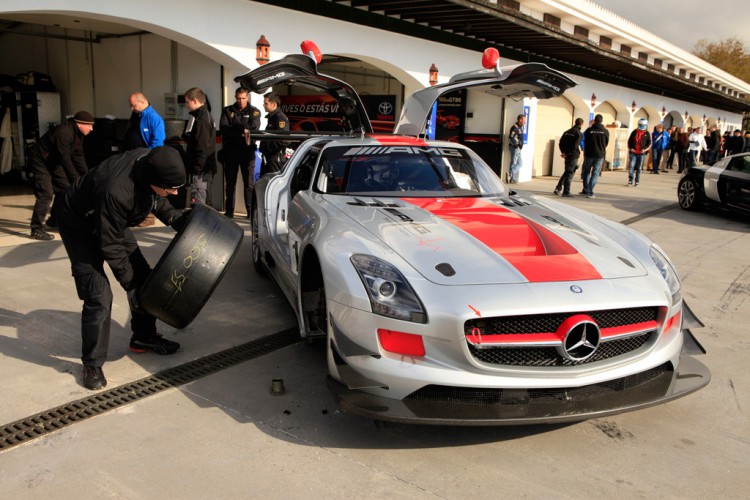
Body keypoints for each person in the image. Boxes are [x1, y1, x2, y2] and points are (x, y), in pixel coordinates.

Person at [52, 147, 190, 390]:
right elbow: (110, 245)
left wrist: (182, 223)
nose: (175, 192)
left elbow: (158, 199)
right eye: (171, 188)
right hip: (79, 224)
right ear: (153, 179)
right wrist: (130, 284)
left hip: (111, 220)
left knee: (144, 280)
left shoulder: (150, 163)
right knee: (98, 296)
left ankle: (143, 337)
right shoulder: (116, 191)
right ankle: (92, 364)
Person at [26, 111, 94, 241]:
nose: (91, 129)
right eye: (89, 126)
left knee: (65, 189)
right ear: (80, 124)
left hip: (54, 161)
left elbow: (78, 156)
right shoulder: (63, 133)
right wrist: (77, 179)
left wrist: (87, 175)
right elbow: (65, 160)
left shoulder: (79, 134)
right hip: (40, 160)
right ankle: (36, 228)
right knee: (46, 193)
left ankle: (54, 220)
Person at [219, 87, 261, 218]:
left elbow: (253, 128)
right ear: (235, 97)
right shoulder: (228, 111)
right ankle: (229, 211)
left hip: (247, 152)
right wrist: (242, 132)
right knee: (230, 183)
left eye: (243, 98)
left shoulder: (254, 112)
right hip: (231, 152)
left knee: (248, 183)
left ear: (247, 97)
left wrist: (236, 130)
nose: (241, 101)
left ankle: (250, 211)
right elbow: (224, 129)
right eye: (238, 98)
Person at [184, 87, 217, 205]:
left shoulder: (202, 118)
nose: (186, 105)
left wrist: (197, 169)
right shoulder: (202, 116)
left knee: (200, 204)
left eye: (187, 102)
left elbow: (202, 146)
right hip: (203, 169)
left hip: (202, 170)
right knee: (203, 201)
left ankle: (202, 223)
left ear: (194, 100)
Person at [259, 92, 290, 176]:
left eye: (266, 103)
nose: (263, 105)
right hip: (269, 157)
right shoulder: (272, 117)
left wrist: (269, 148)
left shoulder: (279, 118)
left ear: (274, 104)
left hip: (275, 158)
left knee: (273, 183)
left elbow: (284, 139)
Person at [580, 114, 609, 199]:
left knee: (586, 172)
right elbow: (606, 143)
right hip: (600, 155)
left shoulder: (589, 130)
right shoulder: (605, 131)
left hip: (589, 154)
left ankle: (586, 189)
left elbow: (584, 140)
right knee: (595, 174)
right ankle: (589, 191)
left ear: (595, 120)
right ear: (601, 121)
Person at [554, 117, 583, 197]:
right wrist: (568, 153)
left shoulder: (566, 132)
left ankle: (558, 188)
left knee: (567, 172)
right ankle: (566, 191)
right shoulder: (578, 133)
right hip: (573, 156)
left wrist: (563, 152)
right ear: (581, 124)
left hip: (567, 155)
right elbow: (575, 145)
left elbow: (560, 143)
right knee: (570, 174)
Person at [626, 118, 652, 187]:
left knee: (639, 168)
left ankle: (637, 181)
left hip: (641, 153)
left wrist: (645, 149)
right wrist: (631, 149)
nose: (641, 127)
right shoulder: (634, 132)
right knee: (631, 166)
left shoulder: (647, 133)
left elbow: (649, 143)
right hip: (633, 153)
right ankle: (630, 180)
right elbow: (629, 141)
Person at [507, 114, 525, 183]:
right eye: (524, 120)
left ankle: (510, 175)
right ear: (520, 120)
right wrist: (516, 145)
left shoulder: (520, 127)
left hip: (518, 149)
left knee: (520, 163)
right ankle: (511, 178)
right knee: (513, 162)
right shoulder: (515, 127)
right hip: (515, 148)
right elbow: (511, 137)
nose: (524, 122)